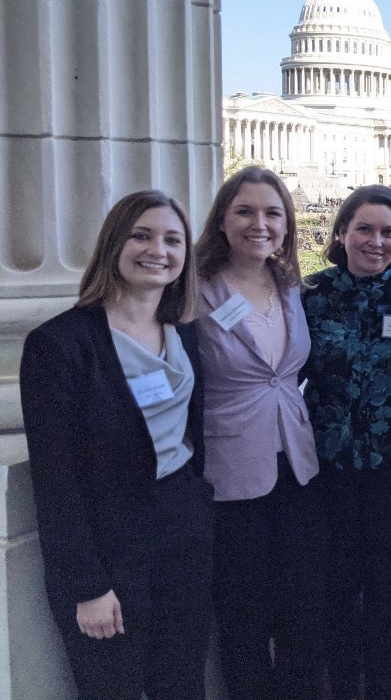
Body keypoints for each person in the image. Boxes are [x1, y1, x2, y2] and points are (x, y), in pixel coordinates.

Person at [19, 189, 214, 699]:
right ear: (114, 244)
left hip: (183, 530)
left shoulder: (184, 332)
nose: (159, 250)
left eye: (173, 240)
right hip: (109, 543)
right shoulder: (58, 344)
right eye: (142, 235)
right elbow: (54, 475)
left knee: (182, 681)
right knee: (112, 687)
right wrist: (87, 586)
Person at [301, 184, 391, 700]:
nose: (376, 241)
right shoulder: (312, 296)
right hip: (329, 463)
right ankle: (342, 688)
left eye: (389, 231)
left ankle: (381, 689)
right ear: (342, 233)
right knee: (336, 585)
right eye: (364, 228)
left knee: (388, 588)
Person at [192, 167, 324, 699]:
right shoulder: (193, 289)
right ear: (223, 219)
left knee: (302, 608)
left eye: (273, 213)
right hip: (230, 472)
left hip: (298, 463)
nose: (260, 224)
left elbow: (284, 374)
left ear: (287, 225)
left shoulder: (290, 284)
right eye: (245, 211)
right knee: (243, 613)